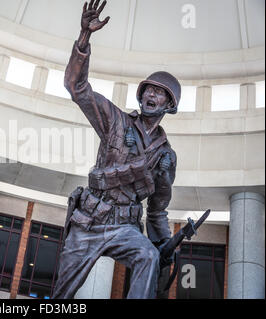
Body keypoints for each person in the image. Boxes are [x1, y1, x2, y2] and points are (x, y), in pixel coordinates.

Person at [52, 0, 181, 299]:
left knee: (147, 256)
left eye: (160, 93)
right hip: (89, 222)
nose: (152, 94)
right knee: (60, 296)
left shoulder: (165, 156)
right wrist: (84, 38)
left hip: (124, 227)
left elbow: (158, 210)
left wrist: (164, 246)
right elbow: (76, 87)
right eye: (149, 89)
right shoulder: (114, 120)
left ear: (169, 105)